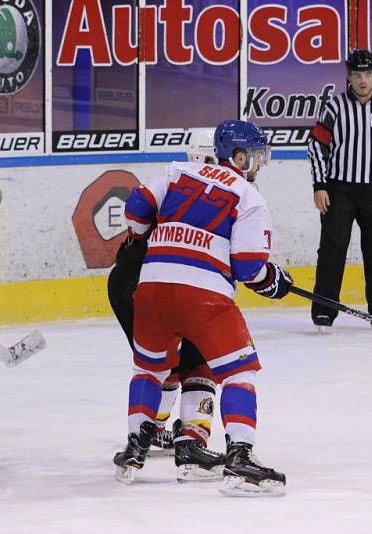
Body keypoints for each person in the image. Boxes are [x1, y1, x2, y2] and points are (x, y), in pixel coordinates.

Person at [113, 120, 292, 497]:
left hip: (151, 288)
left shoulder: (177, 173)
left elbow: (135, 210)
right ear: (238, 157)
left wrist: (157, 235)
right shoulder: (248, 196)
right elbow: (248, 267)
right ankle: (241, 457)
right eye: (256, 156)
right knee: (239, 370)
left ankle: (135, 448)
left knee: (150, 368)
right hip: (203, 295)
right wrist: (274, 281)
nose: (260, 164)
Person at [107, 135, 226, 482]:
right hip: (169, 281)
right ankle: (192, 447)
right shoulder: (223, 192)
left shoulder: (173, 179)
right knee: (200, 363)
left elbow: (135, 212)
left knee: (157, 363)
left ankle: (141, 440)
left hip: (126, 281)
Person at [306, 49, 372, 330]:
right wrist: (320, 185)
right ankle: (324, 310)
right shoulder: (334, 107)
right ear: (348, 77)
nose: (363, 80)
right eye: (357, 74)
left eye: (367, 74)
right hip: (339, 190)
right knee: (332, 249)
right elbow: (316, 146)